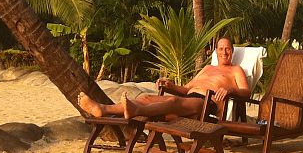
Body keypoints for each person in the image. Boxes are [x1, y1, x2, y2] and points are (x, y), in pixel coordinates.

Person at [78, 38, 250, 120]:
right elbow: (186, 89)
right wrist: (170, 85)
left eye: (228, 49)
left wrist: (230, 89)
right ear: (216, 52)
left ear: (232, 51)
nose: (224, 52)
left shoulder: (236, 70)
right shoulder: (207, 68)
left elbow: (246, 92)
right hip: (189, 98)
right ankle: (103, 109)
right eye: (221, 49)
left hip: (206, 103)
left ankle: (136, 110)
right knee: (145, 97)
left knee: (172, 101)